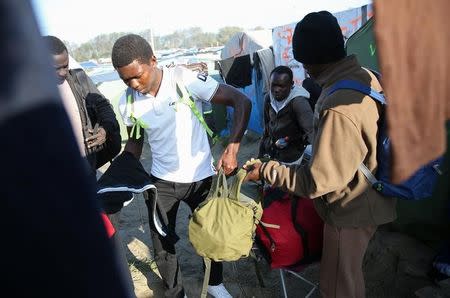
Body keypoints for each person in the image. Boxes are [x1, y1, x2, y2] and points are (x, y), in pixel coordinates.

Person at [244, 11, 396, 298]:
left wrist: (267, 170)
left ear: (311, 61)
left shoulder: (338, 104)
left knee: (340, 288)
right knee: (343, 278)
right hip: (369, 194)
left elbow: (319, 181)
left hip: (351, 207)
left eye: (303, 63)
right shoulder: (366, 76)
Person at [112, 34, 251, 298]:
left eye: (137, 75)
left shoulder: (183, 80)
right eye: (124, 79)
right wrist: (121, 173)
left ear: (152, 60)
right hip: (161, 182)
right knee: (162, 242)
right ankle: (176, 292)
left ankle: (214, 283)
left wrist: (232, 150)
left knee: (211, 233)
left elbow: (241, 101)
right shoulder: (127, 101)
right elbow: (135, 143)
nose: (133, 84)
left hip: (201, 176)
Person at [42, 35, 121, 171]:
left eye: (65, 66)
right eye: (56, 68)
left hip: (87, 167)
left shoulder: (79, 79)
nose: (62, 73)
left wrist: (105, 129)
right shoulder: (31, 94)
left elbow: (103, 105)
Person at [259, 65, 313, 163]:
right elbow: (266, 126)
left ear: (291, 84)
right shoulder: (268, 98)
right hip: (273, 151)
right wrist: (261, 153)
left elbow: (311, 132)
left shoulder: (298, 102)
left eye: (281, 86)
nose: (276, 90)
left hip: (292, 156)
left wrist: (293, 140)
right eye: (273, 85)